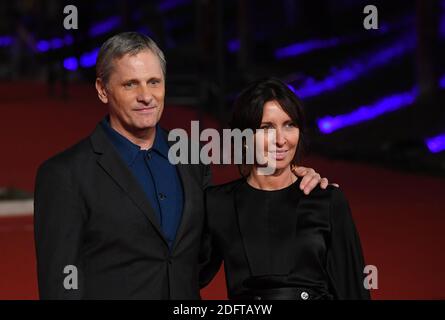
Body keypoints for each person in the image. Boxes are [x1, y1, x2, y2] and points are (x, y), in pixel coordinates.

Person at [34, 32, 330, 299]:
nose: (146, 96)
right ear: (102, 89)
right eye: (130, 84)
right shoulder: (65, 175)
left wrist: (289, 182)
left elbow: (210, 250)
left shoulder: (193, 158)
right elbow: (60, 287)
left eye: (154, 82)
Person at [200, 77, 370, 300]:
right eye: (266, 128)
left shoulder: (327, 200)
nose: (281, 140)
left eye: (289, 125)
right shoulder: (217, 204)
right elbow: (182, 276)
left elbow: (353, 289)